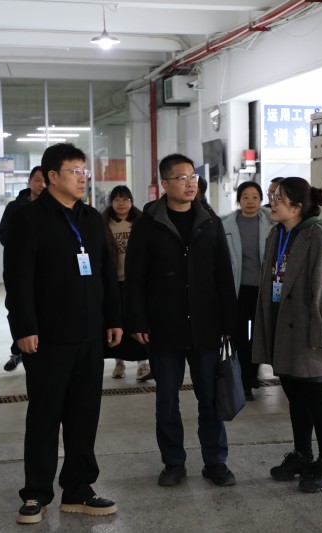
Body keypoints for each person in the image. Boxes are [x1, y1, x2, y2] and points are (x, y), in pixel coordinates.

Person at [3, 143, 122, 524]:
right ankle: (36, 493)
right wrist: (24, 328)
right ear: (52, 176)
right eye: (75, 171)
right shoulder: (28, 219)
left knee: (84, 414)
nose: (83, 177)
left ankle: (79, 488)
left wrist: (113, 318)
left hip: (89, 334)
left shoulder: (91, 218)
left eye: (85, 170)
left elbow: (106, 272)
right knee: (44, 414)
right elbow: (17, 279)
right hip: (48, 337)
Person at [125, 153, 237, 488]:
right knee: (166, 401)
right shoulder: (148, 224)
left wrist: (229, 323)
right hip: (164, 326)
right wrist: (137, 321)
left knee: (210, 398)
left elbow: (223, 275)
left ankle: (216, 461)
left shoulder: (210, 221)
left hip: (205, 326)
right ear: (165, 183)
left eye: (193, 177)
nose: (190, 184)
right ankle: (173, 462)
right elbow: (135, 278)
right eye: (182, 178)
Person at [252, 176, 322, 494]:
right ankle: (303, 454)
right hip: (282, 326)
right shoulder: (276, 234)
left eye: (279, 198)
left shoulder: (316, 237)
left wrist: (321, 338)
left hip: (308, 332)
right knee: (294, 394)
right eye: (272, 196)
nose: (272, 203)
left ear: (297, 206)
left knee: (317, 395)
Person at [222, 181, 272, 401]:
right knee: (240, 337)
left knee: (260, 336)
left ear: (261, 200)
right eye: (245, 197)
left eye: (255, 197)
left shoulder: (271, 222)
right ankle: (244, 383)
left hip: (263, 289)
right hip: (238, 290)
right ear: (238, 200)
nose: (250, 201)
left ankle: (252, 374)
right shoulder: (227, 225)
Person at [102, 185, 152, 381]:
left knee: (138, 322)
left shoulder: (141, 222)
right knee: (116, 322)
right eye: (116, 199)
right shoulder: (103, 223)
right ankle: (119, 362)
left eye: (125, 199)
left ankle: (143, 363)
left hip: (136, 283)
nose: (121, 203)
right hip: (113, 282)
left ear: (131, 202)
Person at [0, 166, 46, 372]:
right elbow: (3, 234)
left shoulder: (53, 207)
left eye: (45, 181)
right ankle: (18, 350)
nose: (42, 185)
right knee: (16, 307)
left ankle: (35, 351)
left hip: (45, 271)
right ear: (29, 182)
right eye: (37, 180)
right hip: (20, 269)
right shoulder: (15, 207)